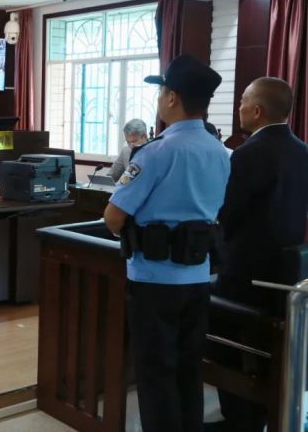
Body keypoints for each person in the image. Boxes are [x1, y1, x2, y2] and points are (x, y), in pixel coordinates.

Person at [103, 54, 230, 432]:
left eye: (161, 92)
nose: (159, 99)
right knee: (188, 369)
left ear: (172, 97)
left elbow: (113, 217)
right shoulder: (221, 152)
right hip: (198, 277)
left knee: (156, 372)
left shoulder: (156, 152)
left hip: (154, 279)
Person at [206, 78, 308, 432]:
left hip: (243, 272)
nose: (239, 107)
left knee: (220, 339)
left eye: (243, 101)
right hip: (285, 274)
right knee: (266, 351)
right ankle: (261, 416)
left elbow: (228, 212)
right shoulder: (302, 149)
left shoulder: (249, 153)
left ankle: (239, 419)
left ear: (258, 110)